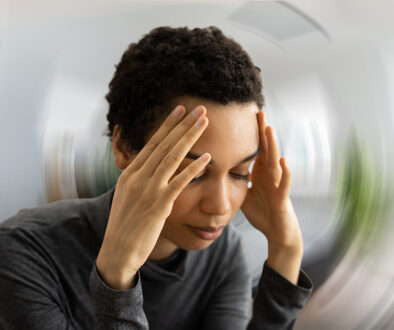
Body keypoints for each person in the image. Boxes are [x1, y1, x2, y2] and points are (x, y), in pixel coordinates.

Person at [0, 26, 313, 329]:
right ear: (123, 147)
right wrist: (117, 278)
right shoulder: (23, 253)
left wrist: (285, 251)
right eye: (192, 173)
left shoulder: (221, 252)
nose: (220, 207)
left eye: (238, 173)